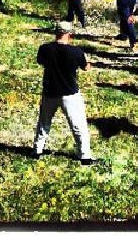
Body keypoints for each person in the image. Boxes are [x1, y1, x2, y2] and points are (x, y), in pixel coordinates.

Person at [32, 20, 96, 165]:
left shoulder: (44, 49)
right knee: (78, 125)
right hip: (69, 93)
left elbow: (41, 61)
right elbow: (85, 67)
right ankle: (85, 156)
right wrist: (89, 64)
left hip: (49, 91)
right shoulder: (76, 52)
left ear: (56, 33)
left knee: (44, 123)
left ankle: (37, 150)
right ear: (70, 34)